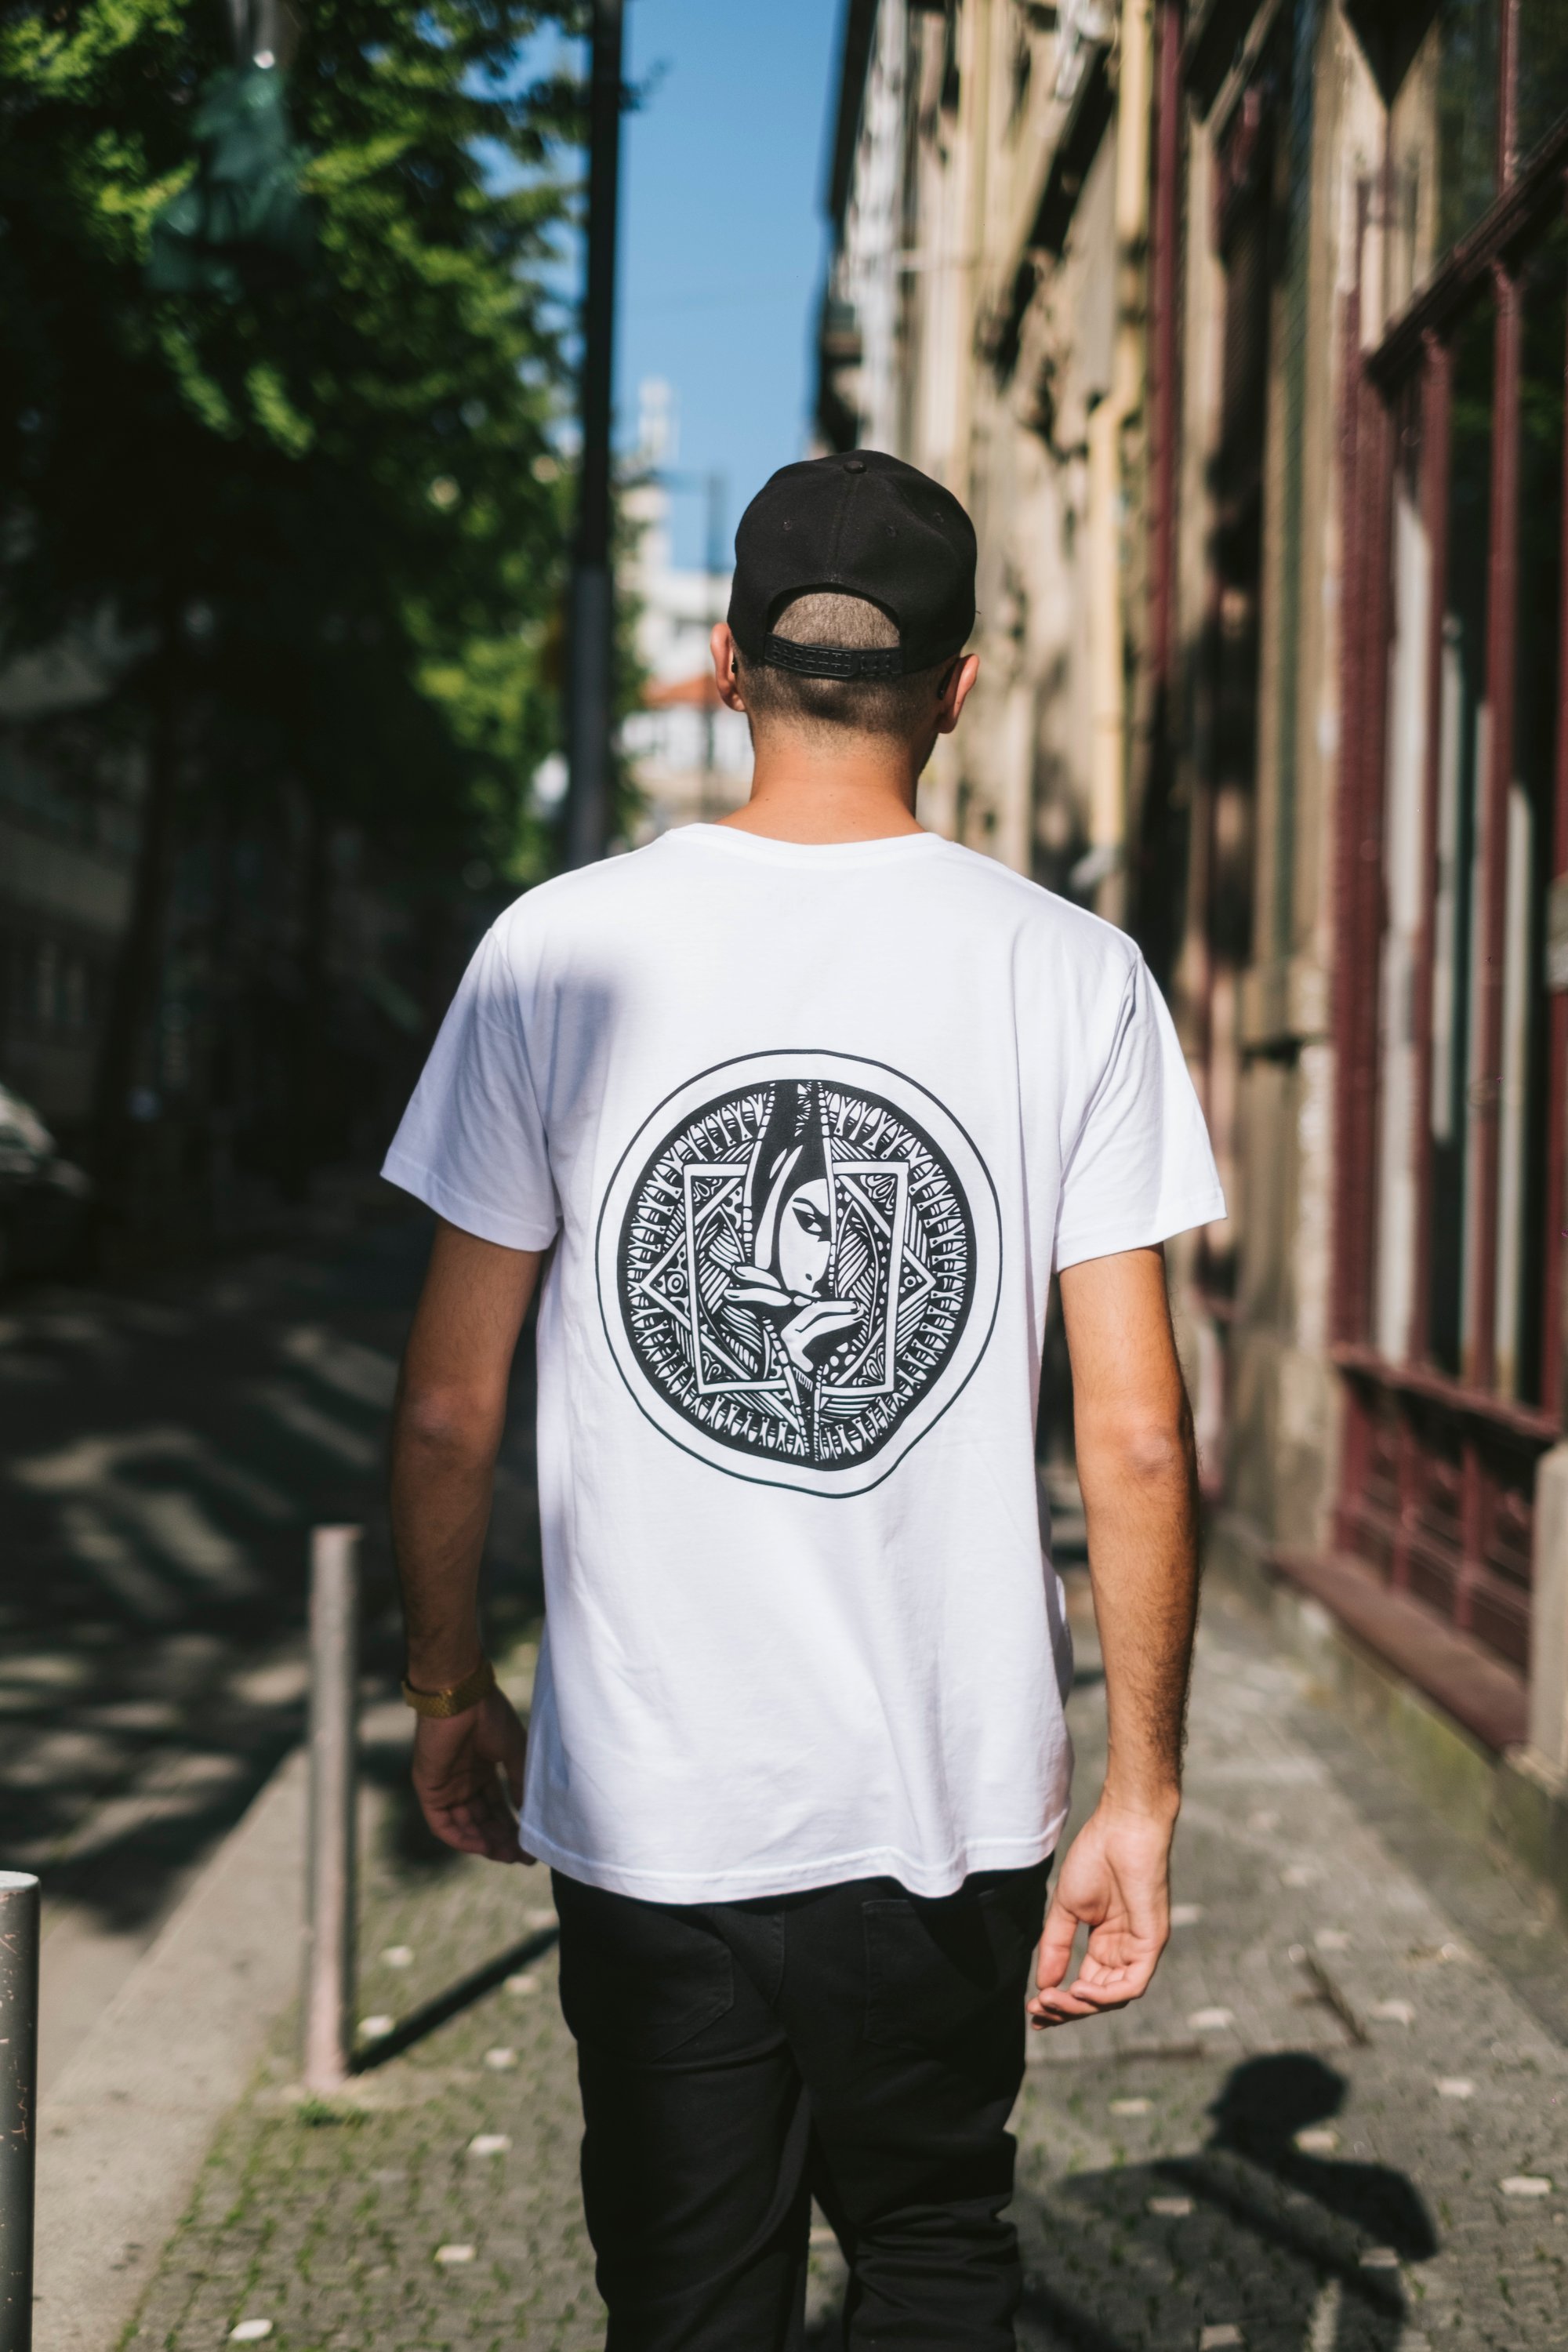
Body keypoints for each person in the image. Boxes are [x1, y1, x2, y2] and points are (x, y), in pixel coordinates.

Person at [383, 448, 1225, 2351]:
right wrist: (1142, 1791)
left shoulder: (553, 951)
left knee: (691, 2298)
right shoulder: (1074, 975)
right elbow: (1136, 1437)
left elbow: (446, 1413)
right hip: (947, 1793)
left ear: (724, 663)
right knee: (932, 2248)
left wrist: (446, 1689)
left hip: (657, 1801)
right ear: (959, 687)